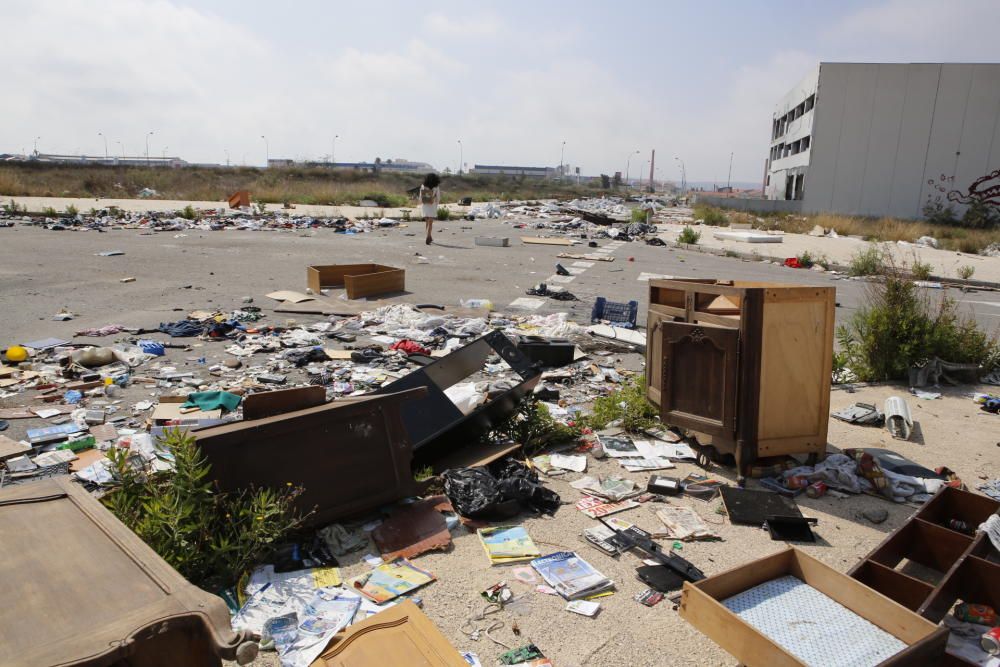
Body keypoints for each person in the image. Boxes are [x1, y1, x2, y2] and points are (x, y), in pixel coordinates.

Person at [418, 172, 441, 245]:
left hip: (425, 205)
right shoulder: (436, 186)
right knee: (431, 222)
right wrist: (436, 204)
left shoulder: (423, 185)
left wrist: (422, 203)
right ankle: (428, 236)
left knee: (427, 221)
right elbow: (438, 197)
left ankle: (429, 236)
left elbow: (420, 196)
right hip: (432, 205)